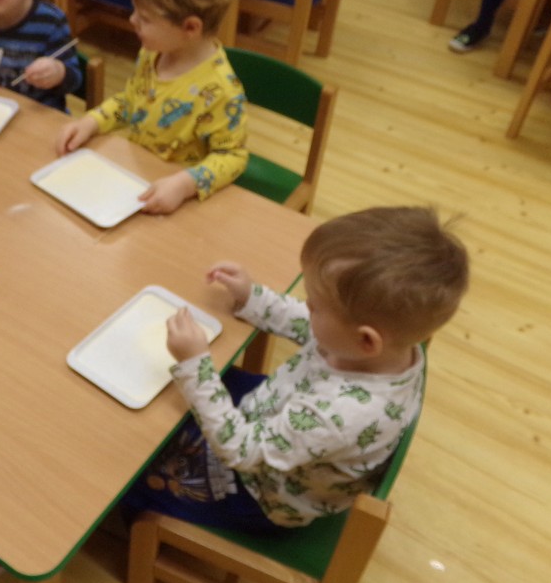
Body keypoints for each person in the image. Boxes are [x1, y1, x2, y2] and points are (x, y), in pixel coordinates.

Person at [122, 206, 469, 534]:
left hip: (258, 494)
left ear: (366, 340)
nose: (308, 308)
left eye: (315, 305)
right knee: (161, 401)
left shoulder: (338, 416)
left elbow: (240, 450)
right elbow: (305, 323)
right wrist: (250, 297)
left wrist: (196, 365)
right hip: (275, 416)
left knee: (127, 473)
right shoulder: (383, 347)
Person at [54, 0, 249, 215]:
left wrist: (185, 184)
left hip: (182, 205)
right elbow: (130, 102)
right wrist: (92, 122)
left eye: (145, 18)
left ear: (190, 28)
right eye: (135, 10)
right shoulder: (153, 52)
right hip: (137, 181)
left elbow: (232, 156)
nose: (132, 20)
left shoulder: (222, 91)